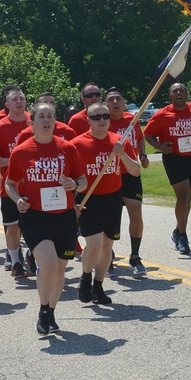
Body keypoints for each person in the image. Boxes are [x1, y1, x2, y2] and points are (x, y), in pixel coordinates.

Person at [4, 103, 86, 335]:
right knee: (48, 266)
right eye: (41, 116)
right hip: (35, 217)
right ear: (32, 122)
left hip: (65, 217)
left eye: (50, 116)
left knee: (60, 271)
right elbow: (10, 184)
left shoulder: (67, 148)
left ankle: (51, 310)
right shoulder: (21, 151)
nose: (46, 120)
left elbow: (83, 180)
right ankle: (42, 309)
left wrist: (75, 184)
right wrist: (18, 199)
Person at [72, 101, 141, 303]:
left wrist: (121, 155)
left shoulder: (120, 141)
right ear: (88, 120)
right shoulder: (77, 144)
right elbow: (69, 177)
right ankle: (85, 278)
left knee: (107, 246)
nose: (102, 120)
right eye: (96, 117)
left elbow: (136, 171)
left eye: (105, 116)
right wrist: (72, 202)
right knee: (93, 244)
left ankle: (98, 285)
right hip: (88, 199)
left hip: (112, 198)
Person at [143, 82, 191, 254]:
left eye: (182, 90)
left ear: (187, 94)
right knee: (182, 197)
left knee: (187, 198)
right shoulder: (162, 114)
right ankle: (182, 236)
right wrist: (160, 147)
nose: (179, 92)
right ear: (170, 96)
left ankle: (177, 230)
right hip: (173, 158)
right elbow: (148, 134)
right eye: (175, 91)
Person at [104, 86, 151, 275]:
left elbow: (140, 138)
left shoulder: (132, 119)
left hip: (130, 173)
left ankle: (135, 256)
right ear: (105, 104)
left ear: (124, 103)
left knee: (136, 213)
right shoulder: (102, 122)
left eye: (118, 99)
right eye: (111, 100)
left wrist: (142, 154)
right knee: (110, 217)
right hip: (110, 174)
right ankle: (107, 256)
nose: (115, 102)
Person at [0, 87, 33, 278]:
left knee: (32, 225)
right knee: (13, 226)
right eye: (14, 99)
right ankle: (15, 262)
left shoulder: (34, 122)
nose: (19, 101)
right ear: (7, 104)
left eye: (22, 98)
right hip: (10, 185)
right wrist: (15, 162)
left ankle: (32, 256)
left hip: (34, 184)